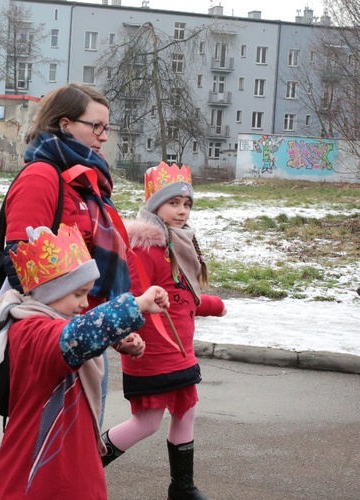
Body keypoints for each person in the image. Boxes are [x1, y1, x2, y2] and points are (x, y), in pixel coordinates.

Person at [0, 82, 145, 500]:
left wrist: (113, 325)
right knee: (40, 440)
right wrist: (71, 324)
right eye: (96, 126)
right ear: (64, 124)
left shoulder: (90, 183)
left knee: (60, 439)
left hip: (86, 329)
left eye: (107, 128)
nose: (104, 136)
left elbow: (104, 264)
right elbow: (22, 260)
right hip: (52, 335)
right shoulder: (42, 175)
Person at [0, 224, 168, 499]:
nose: (84, 303)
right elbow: (75, 337)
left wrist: (118, 340)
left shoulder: (50, 319)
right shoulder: (32, 331)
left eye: (87, 293)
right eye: (78, 294)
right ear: (50, 292)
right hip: (44, 463)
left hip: (68, 449)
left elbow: (79, 331)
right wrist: (135, 306)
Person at [100, 163, 226, 500]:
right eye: (174, 203)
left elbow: (183, 297)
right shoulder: (143, 247)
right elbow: (136, 298)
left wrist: (213, 304)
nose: (182, 211)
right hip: (152, 352)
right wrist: (128, 337)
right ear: (155, 205)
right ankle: (85, 466)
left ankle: (182, 488)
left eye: (187, 205)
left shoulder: (181, 244)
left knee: (186, 411)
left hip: (181, 352)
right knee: (147, 422)